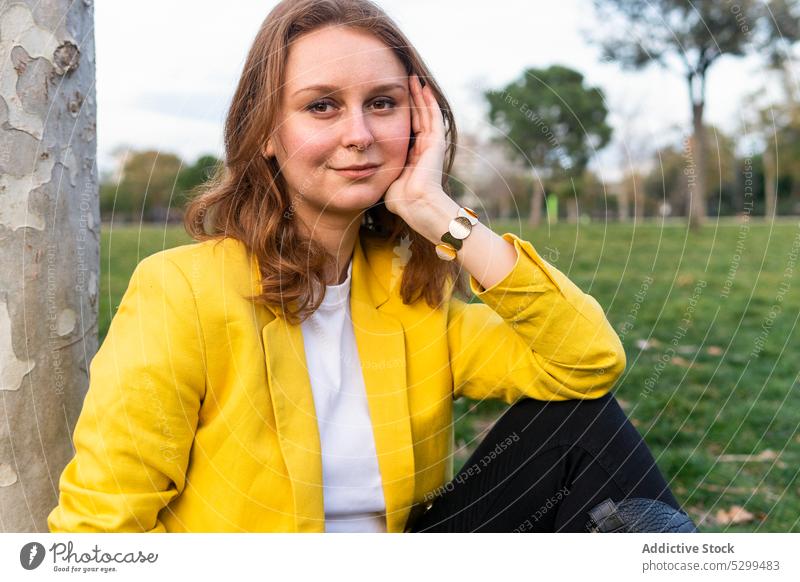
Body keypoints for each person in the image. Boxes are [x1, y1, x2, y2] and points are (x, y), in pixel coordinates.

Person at [47, 0, 693, 533]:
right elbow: (100, 530)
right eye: (322, 105)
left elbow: (587, 362)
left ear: (418, 124)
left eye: (382, 104)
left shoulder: (412, 302)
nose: (358, 132)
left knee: (587, 425)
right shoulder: (180, 292)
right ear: (267, 133)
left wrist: (439, 211)